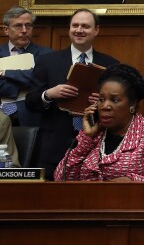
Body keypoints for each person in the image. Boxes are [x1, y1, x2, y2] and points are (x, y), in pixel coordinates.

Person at [25, 9, 119, 177]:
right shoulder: (47, 62)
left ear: (96, 30)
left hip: (97, 147)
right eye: (75, 25)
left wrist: (104, 101)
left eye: (85, 26)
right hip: (53, 147)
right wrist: (48, 94)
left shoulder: (111, 64)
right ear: (69, 29)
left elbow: (121, 106)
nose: (79, 30)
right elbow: (30, 102)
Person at [55, 63, 144, 181]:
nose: (105, 106)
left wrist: (130, 181)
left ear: (132, 104)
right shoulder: (94, 133)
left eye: (114, 100)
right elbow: (61, 178)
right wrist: (86, 137)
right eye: (101, 99)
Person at [0, 6, 52, 126]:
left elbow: (39, 80)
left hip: (31, 116)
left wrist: (5, 73)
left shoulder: (46, 54)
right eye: (18, 26)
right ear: (6, 30)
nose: (24, 30)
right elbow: (33, 81)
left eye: (28, 25)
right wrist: (24, 85)